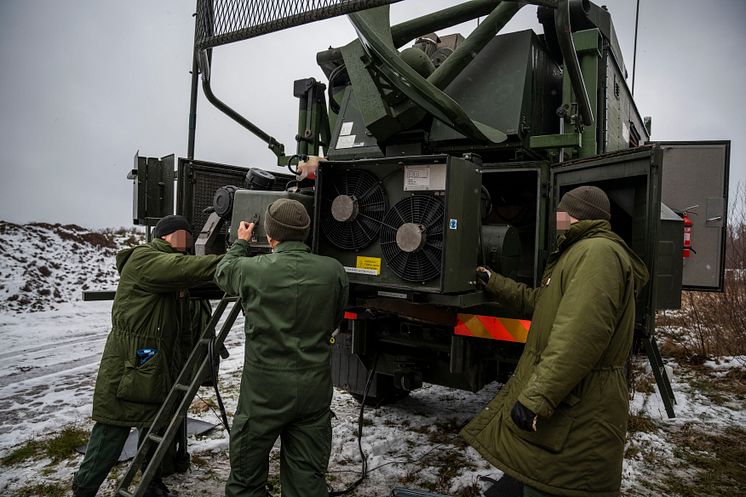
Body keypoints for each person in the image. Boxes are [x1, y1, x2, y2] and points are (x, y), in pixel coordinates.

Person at [460, 186, 649, 497]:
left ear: (574, 216)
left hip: (583, 411)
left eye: (561, 213)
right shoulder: (579, 252)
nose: (556, 220)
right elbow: (541, 302)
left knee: (559, 484)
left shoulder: (597, 254)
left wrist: (537, 398)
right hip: (575, 404)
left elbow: (579, 336)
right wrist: (494, 283)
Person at [73, 215, 222, 497]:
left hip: (154, 363)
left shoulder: (167, 265)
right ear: (171, 235)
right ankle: (84, 487)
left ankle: (151, 481)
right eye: (186, 236)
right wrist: (232, 257)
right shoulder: (146, 258)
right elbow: (185, 268)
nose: (189, 243)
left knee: (155, 421)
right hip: (130, 362)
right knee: (112, 428)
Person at [215, 198, 348, 497]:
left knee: (246, 482)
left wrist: (240, 243)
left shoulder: (253, 270)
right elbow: (335, 318)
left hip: (264, 393)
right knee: (307, 482)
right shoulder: (333, 271)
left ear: (271, 235)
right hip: (314, 389)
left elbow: (223, 273)